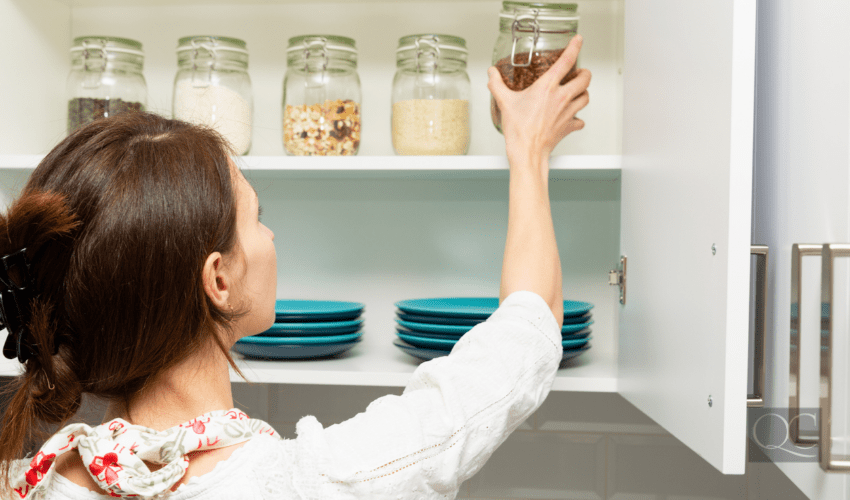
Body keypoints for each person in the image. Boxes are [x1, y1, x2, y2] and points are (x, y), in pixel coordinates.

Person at [0, 34, 590, 499]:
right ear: (219, 280)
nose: (270, 235)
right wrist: (528, 149)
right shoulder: (324, 483)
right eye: (257, 217)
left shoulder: (23, 482)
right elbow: (525, 333)